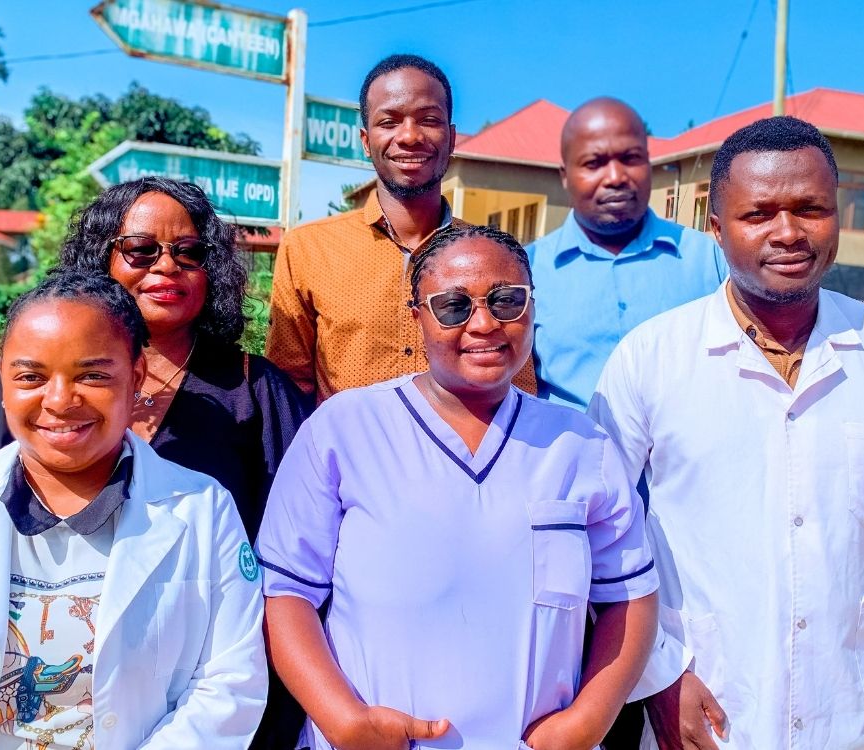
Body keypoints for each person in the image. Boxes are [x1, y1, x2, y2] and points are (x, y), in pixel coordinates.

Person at [591, 116, 864, 749]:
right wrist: (657, 673)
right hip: (704, 700)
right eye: (758, 214)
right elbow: (600, 524)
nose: (788, 233)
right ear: (716, 225)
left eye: (811, 209)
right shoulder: (651, 357)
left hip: (858, 704)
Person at [0, 177, 309, 749]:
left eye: (189, 252)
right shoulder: (34, 386)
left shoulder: (253, 388)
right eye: (141, 250)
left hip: (196, 670)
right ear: (103, 257)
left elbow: (295, 547)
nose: (166, 266)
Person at [258, 224, 659, 750]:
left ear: (533, 308)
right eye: (453, 306)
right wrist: (344, 722)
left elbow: (630, 595)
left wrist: (587, 720)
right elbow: (286, 594)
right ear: (416, 319)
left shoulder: (582, 446)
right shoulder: (343, 431)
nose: (485, 323)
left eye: (507, 300)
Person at [266, 53, 536, 404]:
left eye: (428, 120)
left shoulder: (490, 256)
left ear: (452, 138)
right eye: (389, 122)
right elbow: (288, 390)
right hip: (347, 457)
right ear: (366, 140)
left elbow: (519, 385)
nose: (409, 136)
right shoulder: (308, 248)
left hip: (470, 456)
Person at [527, 97, 727, 410]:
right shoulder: (528, 270)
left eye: (631, 158)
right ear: (565, 175)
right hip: (572, 456)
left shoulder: (711, 260)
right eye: (594, 163)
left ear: (649, 163)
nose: (616, 177)